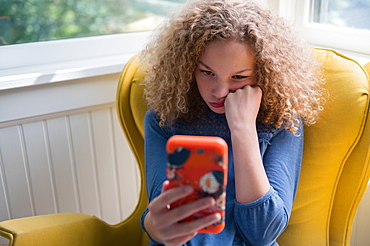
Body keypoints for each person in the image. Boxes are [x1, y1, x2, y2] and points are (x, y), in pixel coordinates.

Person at [139, 0, 325, 245]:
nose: (219, 91)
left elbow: (263, 234)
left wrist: (243, 129)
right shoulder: (163, 120)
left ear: (264, 72)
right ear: (188, 67)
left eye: (238, 77)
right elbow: (160, 218)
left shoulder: (282, 122)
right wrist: (154, 226)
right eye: (207, 72)